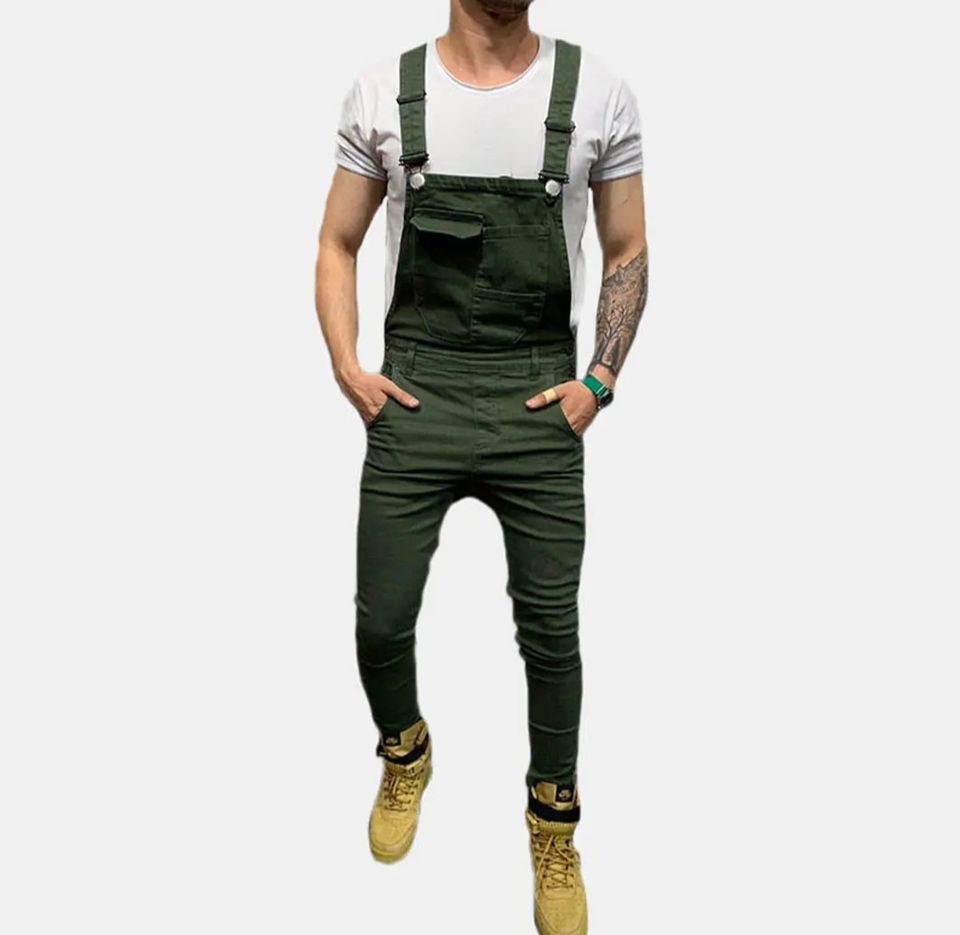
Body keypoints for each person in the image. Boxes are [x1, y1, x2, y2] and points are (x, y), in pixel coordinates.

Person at [314, 2, 647, 932]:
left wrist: (599, 380)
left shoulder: (600, 92)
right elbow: (337, 241)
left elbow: (627, 246)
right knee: (380, 618)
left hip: (539, 391)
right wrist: (349, 368)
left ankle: (554, 821)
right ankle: (404, 749)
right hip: (416, 389)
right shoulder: (384, 92)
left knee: (551, 632)